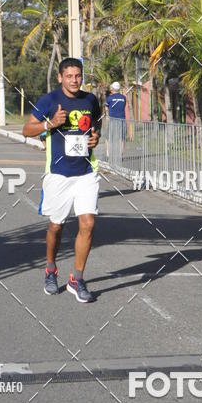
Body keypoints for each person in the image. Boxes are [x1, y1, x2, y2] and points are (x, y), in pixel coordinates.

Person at [23, 57, 101, 303]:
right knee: (56, 226)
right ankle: (50, 268)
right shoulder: (50, 100)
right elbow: (27, 130)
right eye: (69, 76)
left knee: (88, 223)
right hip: (58, 174)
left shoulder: (90, 100)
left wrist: (96, 138)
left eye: (78, 75)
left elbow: (96, 126)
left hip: (87, 172)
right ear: (60, 77)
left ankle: (77, 279)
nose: (74, 80)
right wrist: (51, 124)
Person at [104, 81, 127, 161]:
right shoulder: (123, 97)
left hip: (112, 120)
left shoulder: (109, 98)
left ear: (112, 88)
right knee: (121, 138)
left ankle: (108, 155)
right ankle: (120, 156)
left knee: (108, 137)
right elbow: (123, 107)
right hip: (122, 120)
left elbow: (106, 108)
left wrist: (107, 116)